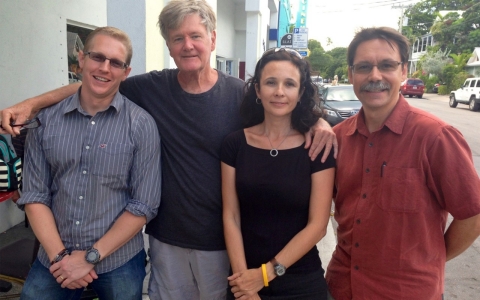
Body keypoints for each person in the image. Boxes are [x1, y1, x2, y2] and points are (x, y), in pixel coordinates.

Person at [1, 1, 337, 298]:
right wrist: (32, 105)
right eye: (178, 38)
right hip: (168, 239)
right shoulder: (151, 88)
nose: (188, 45)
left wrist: (315, 122)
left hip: (222, 241)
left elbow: (280, 106)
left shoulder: (240, 96)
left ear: (213, 40)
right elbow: (96, 82)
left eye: (195, 36)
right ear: (169, 46)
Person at [325, 27, 480, 299]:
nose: (375, 76)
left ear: (404, 71)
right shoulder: (337, 139)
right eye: (363, 67)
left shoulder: (435, 137)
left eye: (387, 65)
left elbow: (473, 215)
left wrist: (429, 259)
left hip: (408, 291)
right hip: (342, 288)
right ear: (350, 74)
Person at [16, 26, 162, 300]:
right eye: (98, 57)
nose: (105, 68)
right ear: (81, 59)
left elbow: (144, 204)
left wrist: (90, 257)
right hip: (55, 257)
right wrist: (62, 258)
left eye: (115, 62)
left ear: (125, 72)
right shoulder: (45, 122)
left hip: (118, 258)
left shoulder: (141, 125)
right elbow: (35, 195)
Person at [221, 48, 335, 300]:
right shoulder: (235, 144)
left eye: (289, 84)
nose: (279, 92)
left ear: (301, 92)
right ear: (258, 91)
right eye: (271, 82)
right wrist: (244, 283)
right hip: (244, 278)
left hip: (301, 283)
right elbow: (231, 215)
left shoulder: (316, 147)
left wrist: (264, 274)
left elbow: (318, 226)